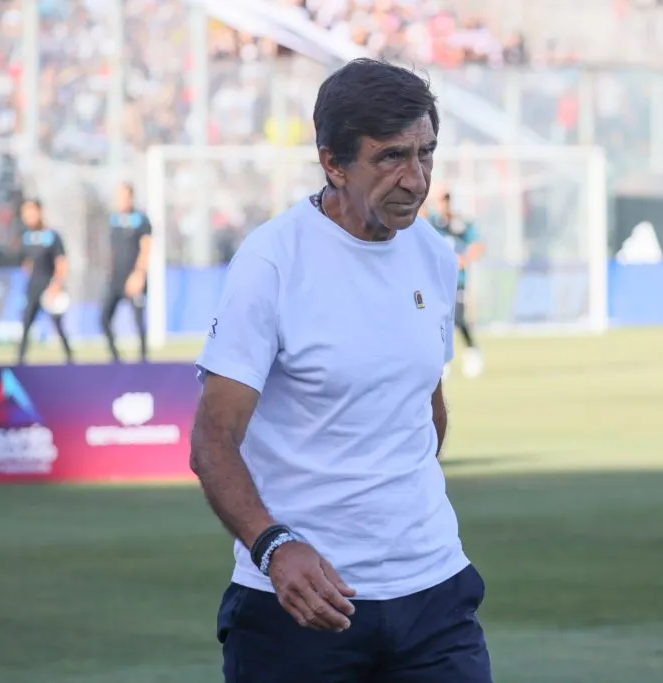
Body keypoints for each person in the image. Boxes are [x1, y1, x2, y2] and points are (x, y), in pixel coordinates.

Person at [189, 59, 492, 683]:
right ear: (333, 162)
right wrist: (273, 545)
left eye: (427, 154)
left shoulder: (434, 254)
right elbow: (212, 440)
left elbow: (424, 407)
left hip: (433, 592)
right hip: (299, 606)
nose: (416, 178)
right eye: (391, 158)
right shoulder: (273, 261)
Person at [428, 186, 485, 379]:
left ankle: (472, 351)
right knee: (437, 321)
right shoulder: (432, 222)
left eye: (446, 199)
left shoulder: (461, 224)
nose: (443, 203)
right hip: (436, 282)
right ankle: (442, 361)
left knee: (458, 318)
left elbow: (478, 245)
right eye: (440, 199)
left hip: (456, 280)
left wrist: (464, 258)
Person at [15, 198, 74, 364]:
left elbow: (61, 262)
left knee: (58, 326)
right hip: (33, 287)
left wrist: (56, 284)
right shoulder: (25, 237)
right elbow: (25, 262)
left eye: (31, 211)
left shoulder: (52, 236)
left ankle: (70, 361)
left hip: (50, 287)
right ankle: (18, 363)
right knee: (26, 324)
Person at [102, 182, 151, 363]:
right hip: (115, 278)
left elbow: (146, 248)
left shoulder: (141, 219)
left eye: (124, 196)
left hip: (134, 277)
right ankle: (116, 360)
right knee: (104, 318)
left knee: (138, 322)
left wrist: (139, 274)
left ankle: (144, 363)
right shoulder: (113, 219)